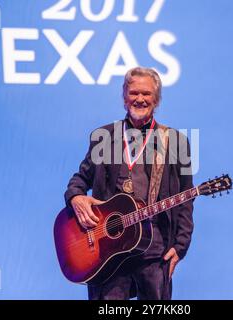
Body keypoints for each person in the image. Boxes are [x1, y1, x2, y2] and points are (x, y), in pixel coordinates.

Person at [64, 67, 194, 300]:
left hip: (155, 252)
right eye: (134, 93)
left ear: (157, 99)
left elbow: (186, 197)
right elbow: (80, 179)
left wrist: (181, 246)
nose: (140, 99)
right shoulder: (103, 136)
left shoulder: (175, 142)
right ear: (125, 97)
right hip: (107, 252)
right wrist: (75, 197)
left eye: (146, 93)